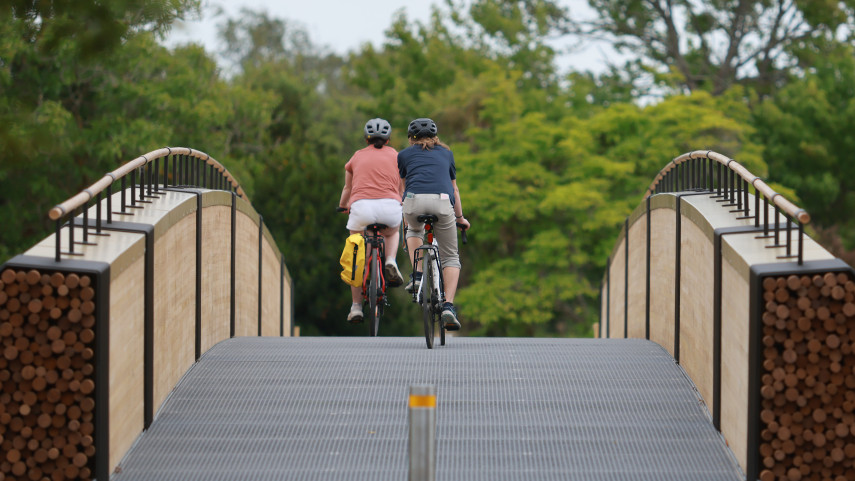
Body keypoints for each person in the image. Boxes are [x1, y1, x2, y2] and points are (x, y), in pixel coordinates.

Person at [398, 118, 470, 330]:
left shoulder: (402, 155)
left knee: (413, 229)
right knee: (451, 257)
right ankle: (448, 306)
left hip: (413, 202)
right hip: (441, 202)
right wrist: (460, 218)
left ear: (411, 138)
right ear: (435, 136)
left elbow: (404, 187)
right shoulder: (447, 154)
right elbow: (454, 191)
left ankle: (418, 275)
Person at [338, 118, 405, 323]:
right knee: (392, 231)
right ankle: (390, 260)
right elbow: (402, 187)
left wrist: (343, 206)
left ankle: (356, 306)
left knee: (357, 257)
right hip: (389, 207)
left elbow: (348, 189)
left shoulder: (357, 156)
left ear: (366, 138)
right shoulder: (396, 155)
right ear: (388, 138)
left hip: (361, 209)